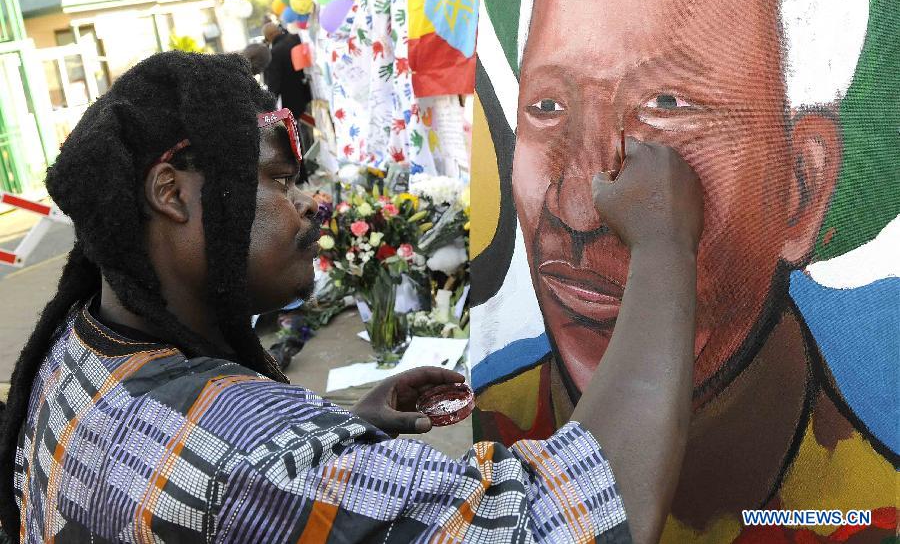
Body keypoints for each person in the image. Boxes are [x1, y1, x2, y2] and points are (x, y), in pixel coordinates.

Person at [0, 51, 705, 543]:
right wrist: (665, 245)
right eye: (276, 180)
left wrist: (338, 439)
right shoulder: (252, 460)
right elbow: (565, 524)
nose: (309, 203)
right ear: (171, 193)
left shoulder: (77, 351)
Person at [472, 0, 898, 540]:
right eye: (547, 107)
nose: (575, 207)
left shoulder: (867, 512)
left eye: (666, 108)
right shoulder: (501, 449)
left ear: (803, 189)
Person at [262, 21, 313, 151]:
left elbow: (274, 83)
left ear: (268, 37)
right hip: (309, 89)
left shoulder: (274, 53)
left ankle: (309, 158)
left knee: (302, 131)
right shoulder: (295, 38)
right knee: (314, 124)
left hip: (292, 98)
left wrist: (268, 104)